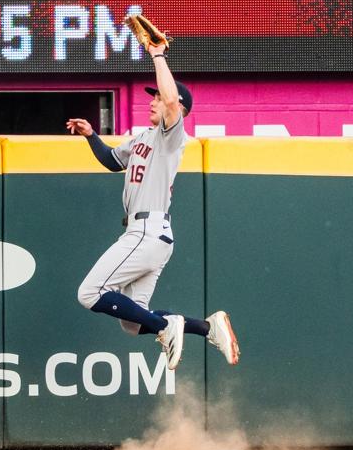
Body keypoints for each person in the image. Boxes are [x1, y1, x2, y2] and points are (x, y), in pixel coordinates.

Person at [66, 41, 239, 370]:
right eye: (154, 96)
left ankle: (165, 327)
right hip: (150, 234)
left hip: (147, 231)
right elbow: (112, 161)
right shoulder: (144, 137)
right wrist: (90, 135)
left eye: (157, 97)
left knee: (89, 293)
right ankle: (207, 328)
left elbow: (172, 100)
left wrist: (157, 55)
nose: (153, 100)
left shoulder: (171, 136)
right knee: (133, 324)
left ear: (177, 108)